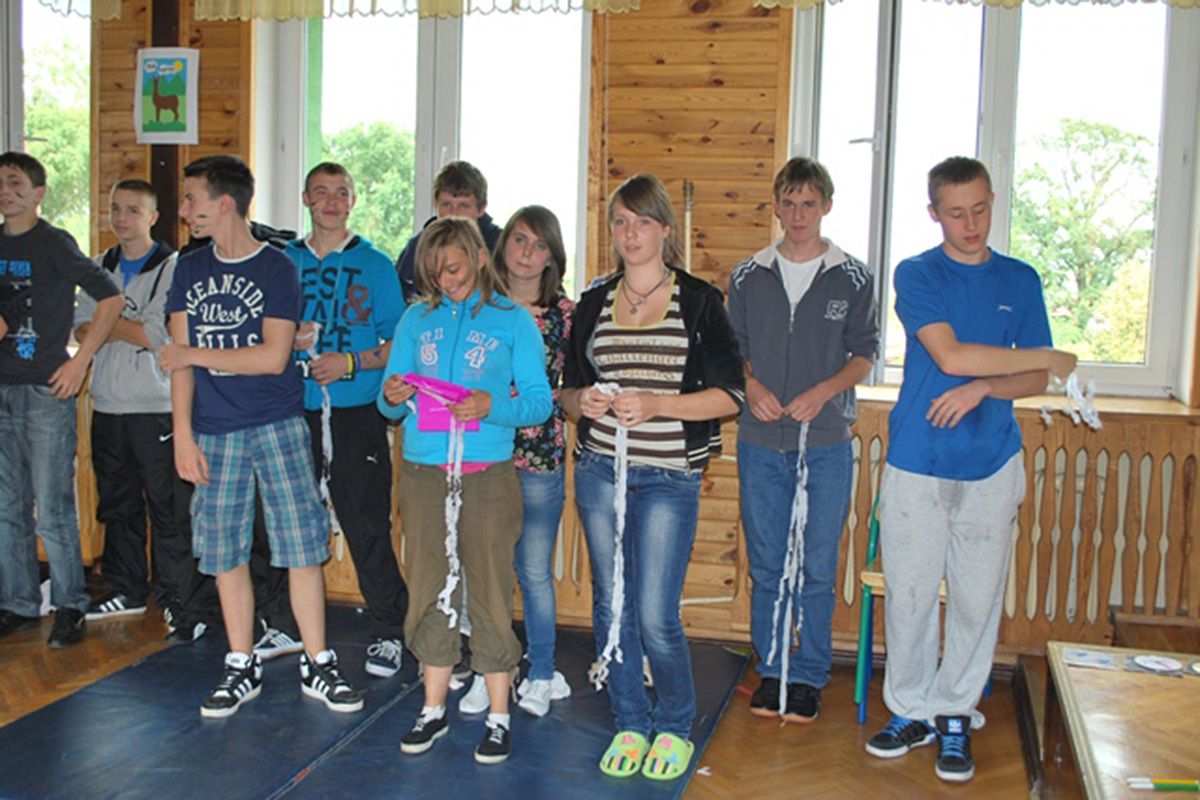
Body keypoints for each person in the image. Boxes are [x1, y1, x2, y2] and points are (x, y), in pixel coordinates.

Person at [865, 157, 1076, 783]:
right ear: (935, 213)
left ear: (992, 201)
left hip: (991, 464)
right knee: (909, 597)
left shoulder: (1021, 278)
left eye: (980, 209)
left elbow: (1033, 380)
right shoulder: (917, 273)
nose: (971, 223)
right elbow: (952, 355)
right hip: (917, 462)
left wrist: (989, 385)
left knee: (977, 600)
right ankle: (911, 709)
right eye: (956, 213)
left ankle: (954, 712)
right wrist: (1044, 356)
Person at [159, 155, 362, 718]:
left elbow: (272, 357)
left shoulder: (276, 267)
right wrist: (182, 434)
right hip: (213, 431)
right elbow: (178, 366)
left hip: (277, 425)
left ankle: (318, 661)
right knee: (225, 551)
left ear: (224, 203)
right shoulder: (188, 269)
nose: (185, 210)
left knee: (301, 546)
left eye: (192, 199)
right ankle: (240, 661)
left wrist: (191, 352)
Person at [561, 174, 745, 781]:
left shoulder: (699, 301)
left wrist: (659, 403)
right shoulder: (594, 301)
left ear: (665, 229)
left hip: (669, 477)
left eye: (642, 222)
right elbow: (567, 393)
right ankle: (630, 722)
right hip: (600, 472)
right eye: (620, 222)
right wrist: (584, 401)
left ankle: (674, 725)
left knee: (656, 614)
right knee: (611, 605)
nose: (630, 233)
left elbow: (731, 396)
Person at [378, 217, 551, 765]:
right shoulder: (416, 318)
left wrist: (489, 406)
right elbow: (388, 401)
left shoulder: (513, 320)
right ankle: (432, 708)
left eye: (453, 269)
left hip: (486, 476)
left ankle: (498, 716)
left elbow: (539, 403)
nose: (446, 282)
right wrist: (392, 393)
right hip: (424, 473)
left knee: (491, 591)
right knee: (429, 588)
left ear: (478, 256)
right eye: (434, 274)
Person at [728, 157, 879, 722]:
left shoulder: (853, 277)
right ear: (775, 206)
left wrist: (824, 391)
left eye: (808, 204)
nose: (797, 214)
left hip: (826, 442)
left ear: (826, 207)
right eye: (788, 204)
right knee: (768, 564)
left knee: (817, 566)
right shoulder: (748, 275)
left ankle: (810, 675)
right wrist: (750, 385)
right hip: (760, 440)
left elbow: (865, 354)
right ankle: (772, 670)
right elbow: (731, 351)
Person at [286, 161, 409, 678]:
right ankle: (283, 622)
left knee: (366, 522)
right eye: (321, 192)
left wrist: (351, 362)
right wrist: (288, 338)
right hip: (292, 410)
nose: (332, 202)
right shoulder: (284, 262)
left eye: (342, 192)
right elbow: (262, 331)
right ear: (305, 199)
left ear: (354, 201)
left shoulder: (376, 265)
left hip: (356, 413)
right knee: (287, 524)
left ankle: (389, 628)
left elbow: (400, 344)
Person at [0, 151, 123, 648]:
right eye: (0, 184)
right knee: (7, 506)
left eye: (15, 182)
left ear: (39, 193)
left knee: (52, 507)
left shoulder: (53, 243)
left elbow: (111, 298)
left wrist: (79, 362)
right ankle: (18, 602)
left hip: (46, 389)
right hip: (2, 387)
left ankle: (71, 603)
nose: (6, 191)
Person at [75, 179, 196, 624]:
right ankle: (127, 589)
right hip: (108, 404)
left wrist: (106, 323)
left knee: (168, 507)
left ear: (153, 217)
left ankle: (175, 595)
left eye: (132, 210)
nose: (121, 218)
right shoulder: (96, 267)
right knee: (117, 504)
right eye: (115, 209)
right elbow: (79, 328)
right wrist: (120, 325)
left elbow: (156, 335)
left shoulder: (173, 268)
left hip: (156, 406)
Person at [471, 205, 576, 718]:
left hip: (539, 454)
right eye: (519, 240)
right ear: (503, 244)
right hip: (484, 452)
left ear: (552, 256)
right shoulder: (478, 306)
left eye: (539, 245)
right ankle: (490, 667)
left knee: (533, 570)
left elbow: (577, 383)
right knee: (485, 571)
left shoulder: (566, 315)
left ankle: (541, 671)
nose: (527, 253)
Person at [395, 161, 501, 305]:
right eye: (446, 204)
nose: (454, 213)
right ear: (436, 205)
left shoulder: (500, 246)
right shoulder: (417, 246)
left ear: (481, 208)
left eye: (463, 206)